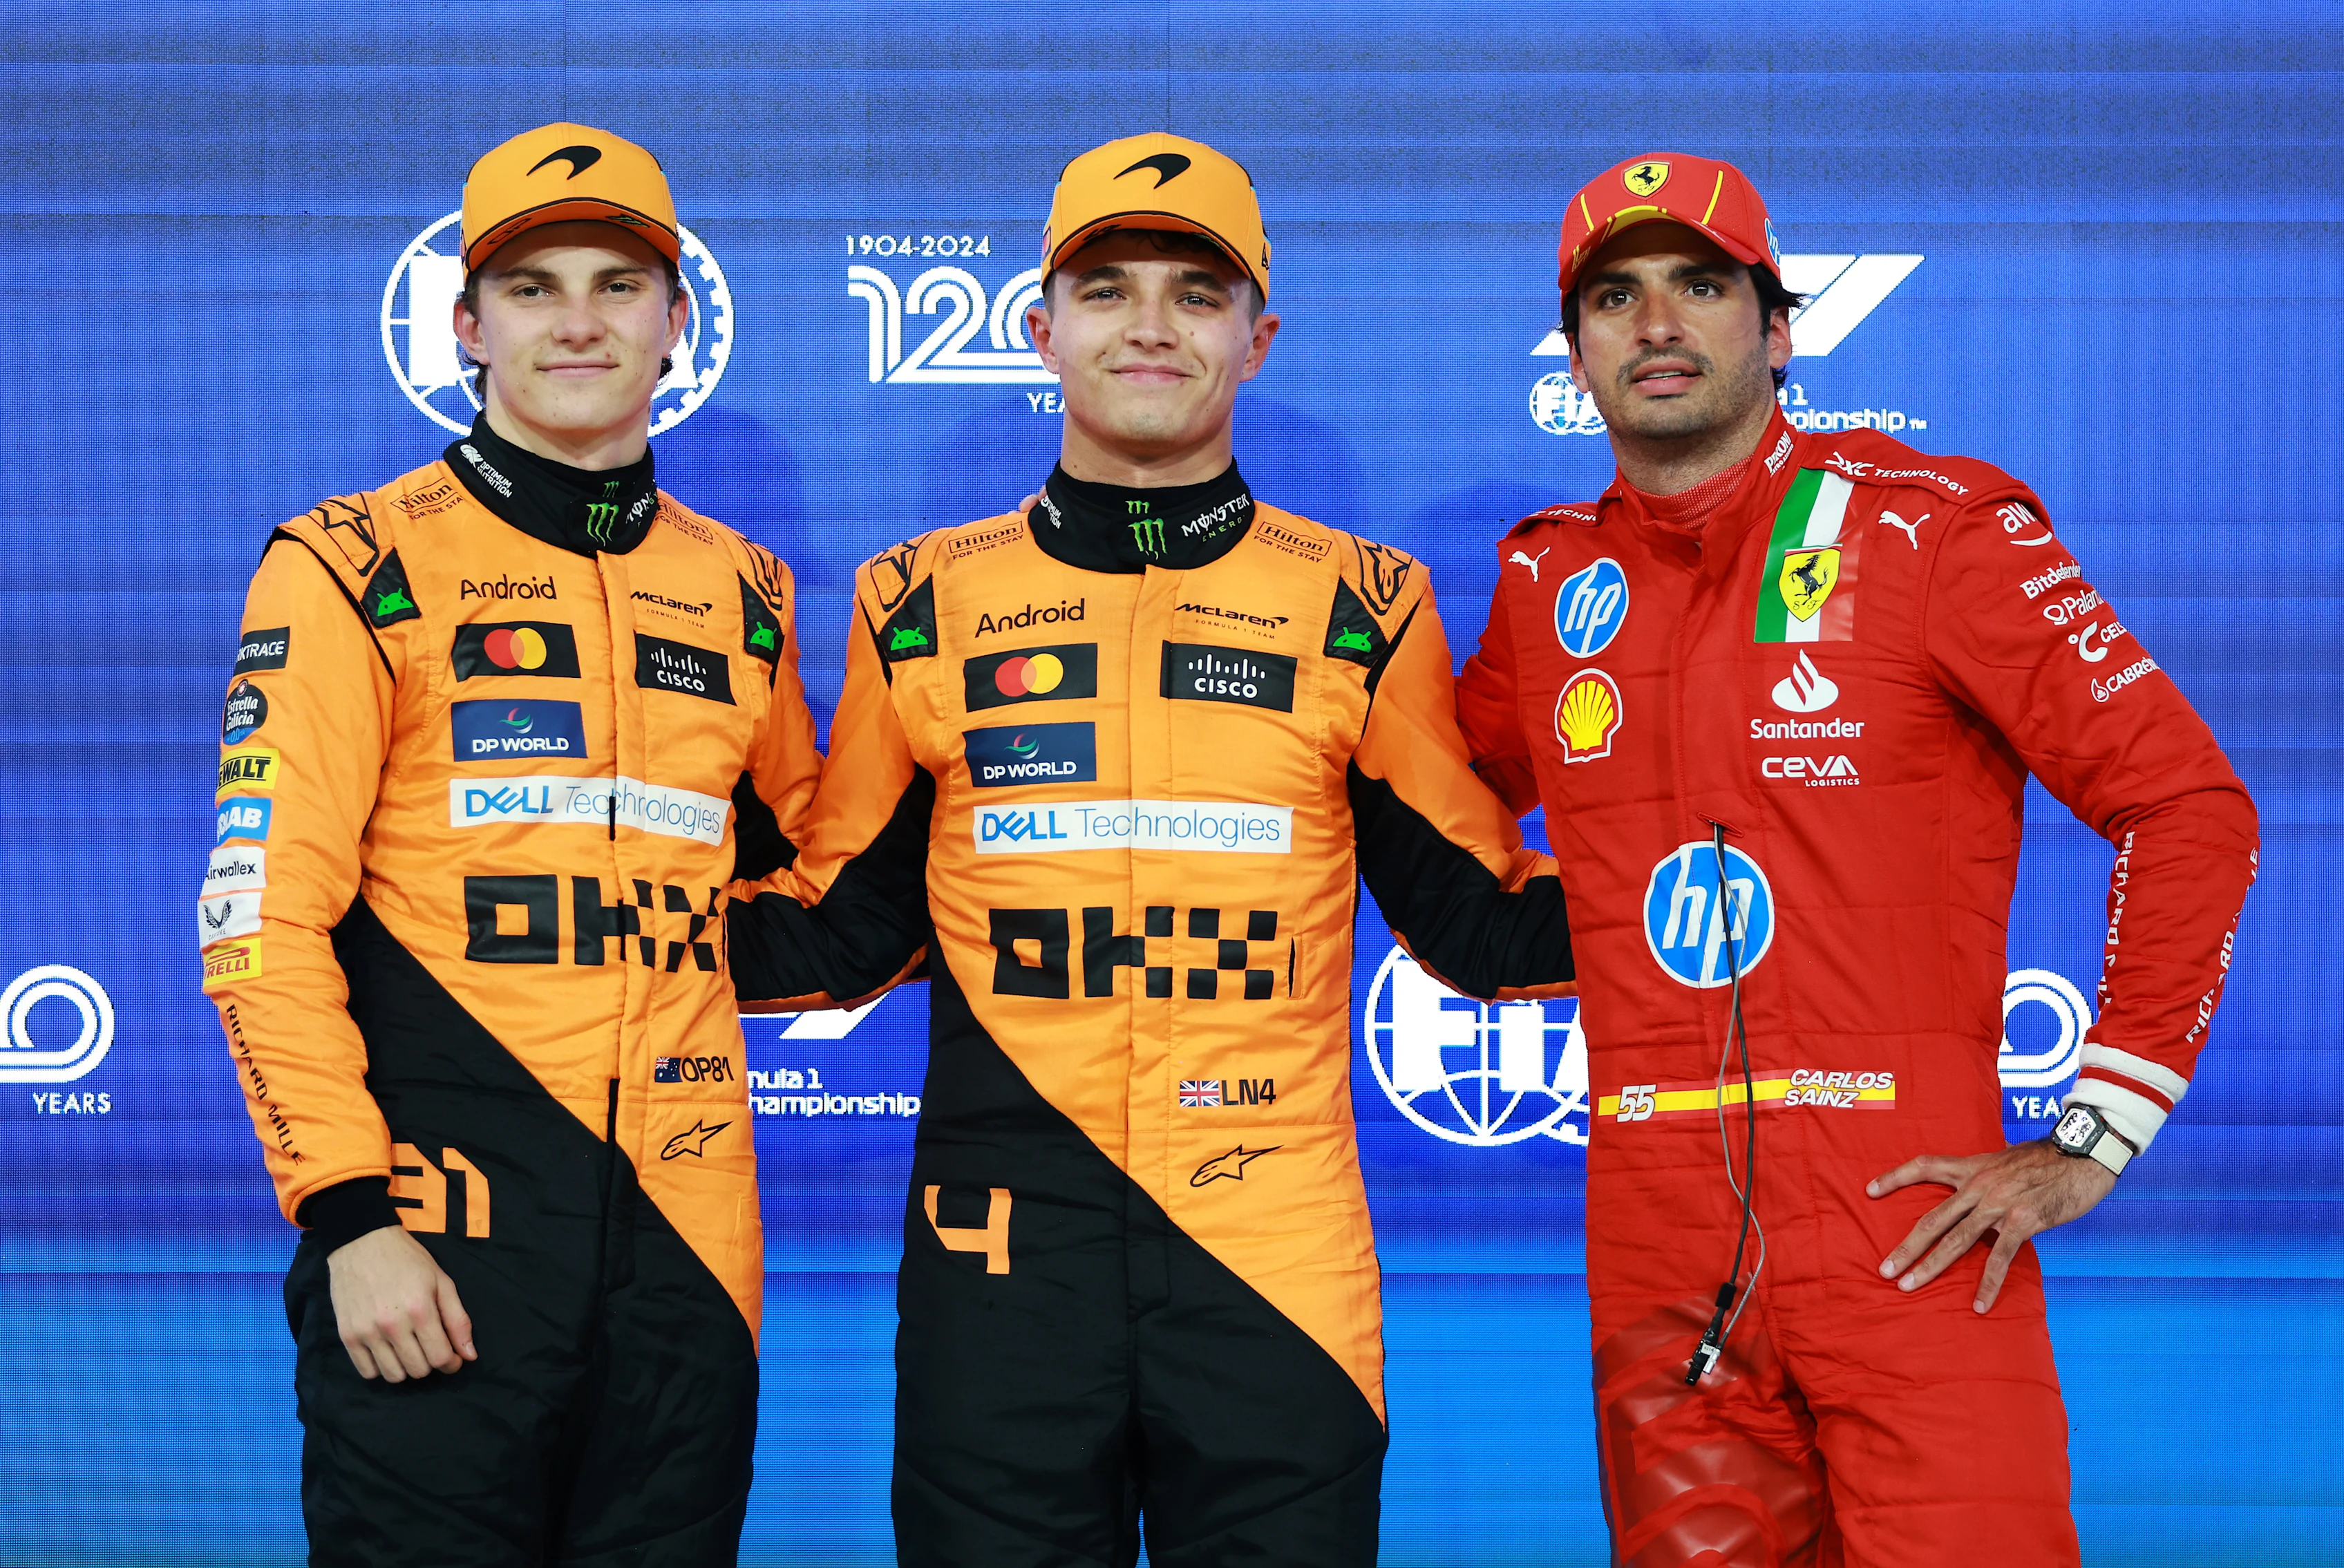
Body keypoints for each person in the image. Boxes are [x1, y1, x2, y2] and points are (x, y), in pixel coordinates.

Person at [726, 132, 1574, 1568]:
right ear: (1040, 327)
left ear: (1259, 337)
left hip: (1275, 1268)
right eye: (1107, 287)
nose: (1150, 325)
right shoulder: (915, 601)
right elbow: (838, 931)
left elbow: (1483, 928)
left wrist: (1771, 867)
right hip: (999, 1265)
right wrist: (483, 894)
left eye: (1196, 291)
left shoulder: (1363, 605)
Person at [1455, 151, 2259, 1565]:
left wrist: (2095, 1136)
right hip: (1653, 1237)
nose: (1655, 324)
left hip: (1911, 1217)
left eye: (1700, 286)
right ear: (1573, 351)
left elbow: (2188, 805)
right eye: (1613, 297)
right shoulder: (1542, 584)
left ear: (1777, 331)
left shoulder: (1932, 527)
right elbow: (1432, 813)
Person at [199, 122, 822, 1565]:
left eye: (618, 281)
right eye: (534, 287)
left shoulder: (744, 590)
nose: (581, 320)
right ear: (467, 327)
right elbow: (261, 914)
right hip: (433, 1242)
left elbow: (821, 874)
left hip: (689, 1248)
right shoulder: (349, 563)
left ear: (679, 323)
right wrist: (349, 1219)